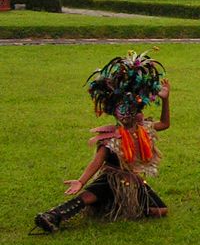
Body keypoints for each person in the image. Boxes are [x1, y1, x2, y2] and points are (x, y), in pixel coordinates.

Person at [34, 51, 171, 233]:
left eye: (139, 109)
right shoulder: (112, 138)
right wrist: (81, 182)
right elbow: (96, 162)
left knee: (160, 210)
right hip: (110, 178)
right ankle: (52, 216)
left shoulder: (144, 129)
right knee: (86, 198)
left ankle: (117, 203)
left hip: (132, 181)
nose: (139, 114)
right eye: (134, 111)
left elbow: (165, 124)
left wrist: (166, 99)